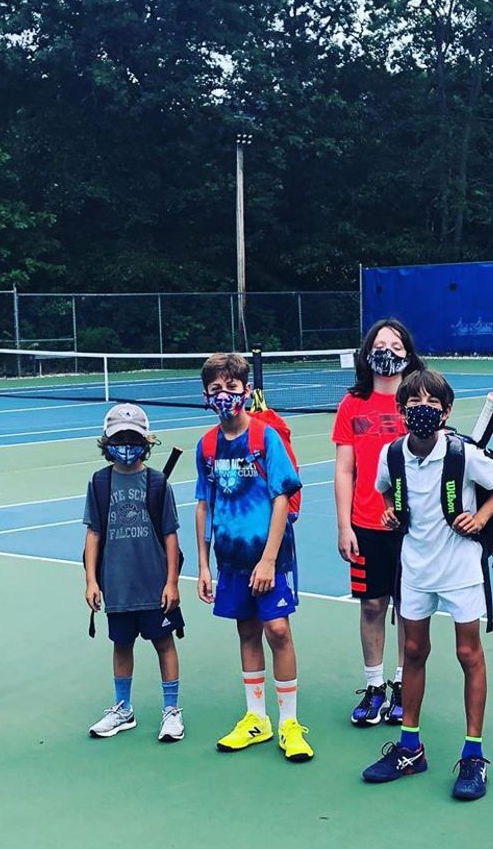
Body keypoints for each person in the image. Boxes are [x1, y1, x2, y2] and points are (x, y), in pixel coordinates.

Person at [362, 369, 493, 799]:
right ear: (401, 410)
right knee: (412, 650)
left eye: (432, 405)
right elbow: (387, 495)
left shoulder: (461, 455)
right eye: (414, 404)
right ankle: (410, 748)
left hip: (460, 567)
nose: (422, 411)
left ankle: (473, 755)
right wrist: (391, 513)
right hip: (415, 568)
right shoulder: (391, 455)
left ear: (446, 412)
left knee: (468, 653)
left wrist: (481, 518)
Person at [194, 352, 313, 762]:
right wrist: (203, 564)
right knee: (247, 631)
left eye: (230, 388)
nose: (223, 396)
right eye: (215, 390)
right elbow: (203, 504)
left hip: (269, 557)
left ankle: (289, 723)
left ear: (245, 391)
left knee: (277, 630)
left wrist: (268, 559)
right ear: (206, 396)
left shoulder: (265, 438)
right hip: (229, 559)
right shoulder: (207, 444)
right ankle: (256, 717)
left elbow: (282, 497)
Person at [333, 319, 425, 727]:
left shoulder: (417, 402)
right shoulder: (353, 404)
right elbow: (344, 470)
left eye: (395, 343)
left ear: (408, 352)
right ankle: (374, 687)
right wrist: (343, 525)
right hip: (365, 524)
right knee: (372, 605)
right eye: (379, 343)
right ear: (367, 352)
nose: (387, 350)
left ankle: (404, 685)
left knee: (410, 607)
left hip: (414, 527)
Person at [83, 403, 185, 743]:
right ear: (107, 442)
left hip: (154, 585)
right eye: (119, 438)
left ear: (145, 441)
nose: (126, 445)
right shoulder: (99, 483)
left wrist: (172, 582)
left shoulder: (157, 483)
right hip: (117, 585)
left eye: (132, 438)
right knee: (121, 644)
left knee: (163, 643)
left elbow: (171, 535)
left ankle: (171, 711)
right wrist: (91, 580)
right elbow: (94, 533)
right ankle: (123, 708)